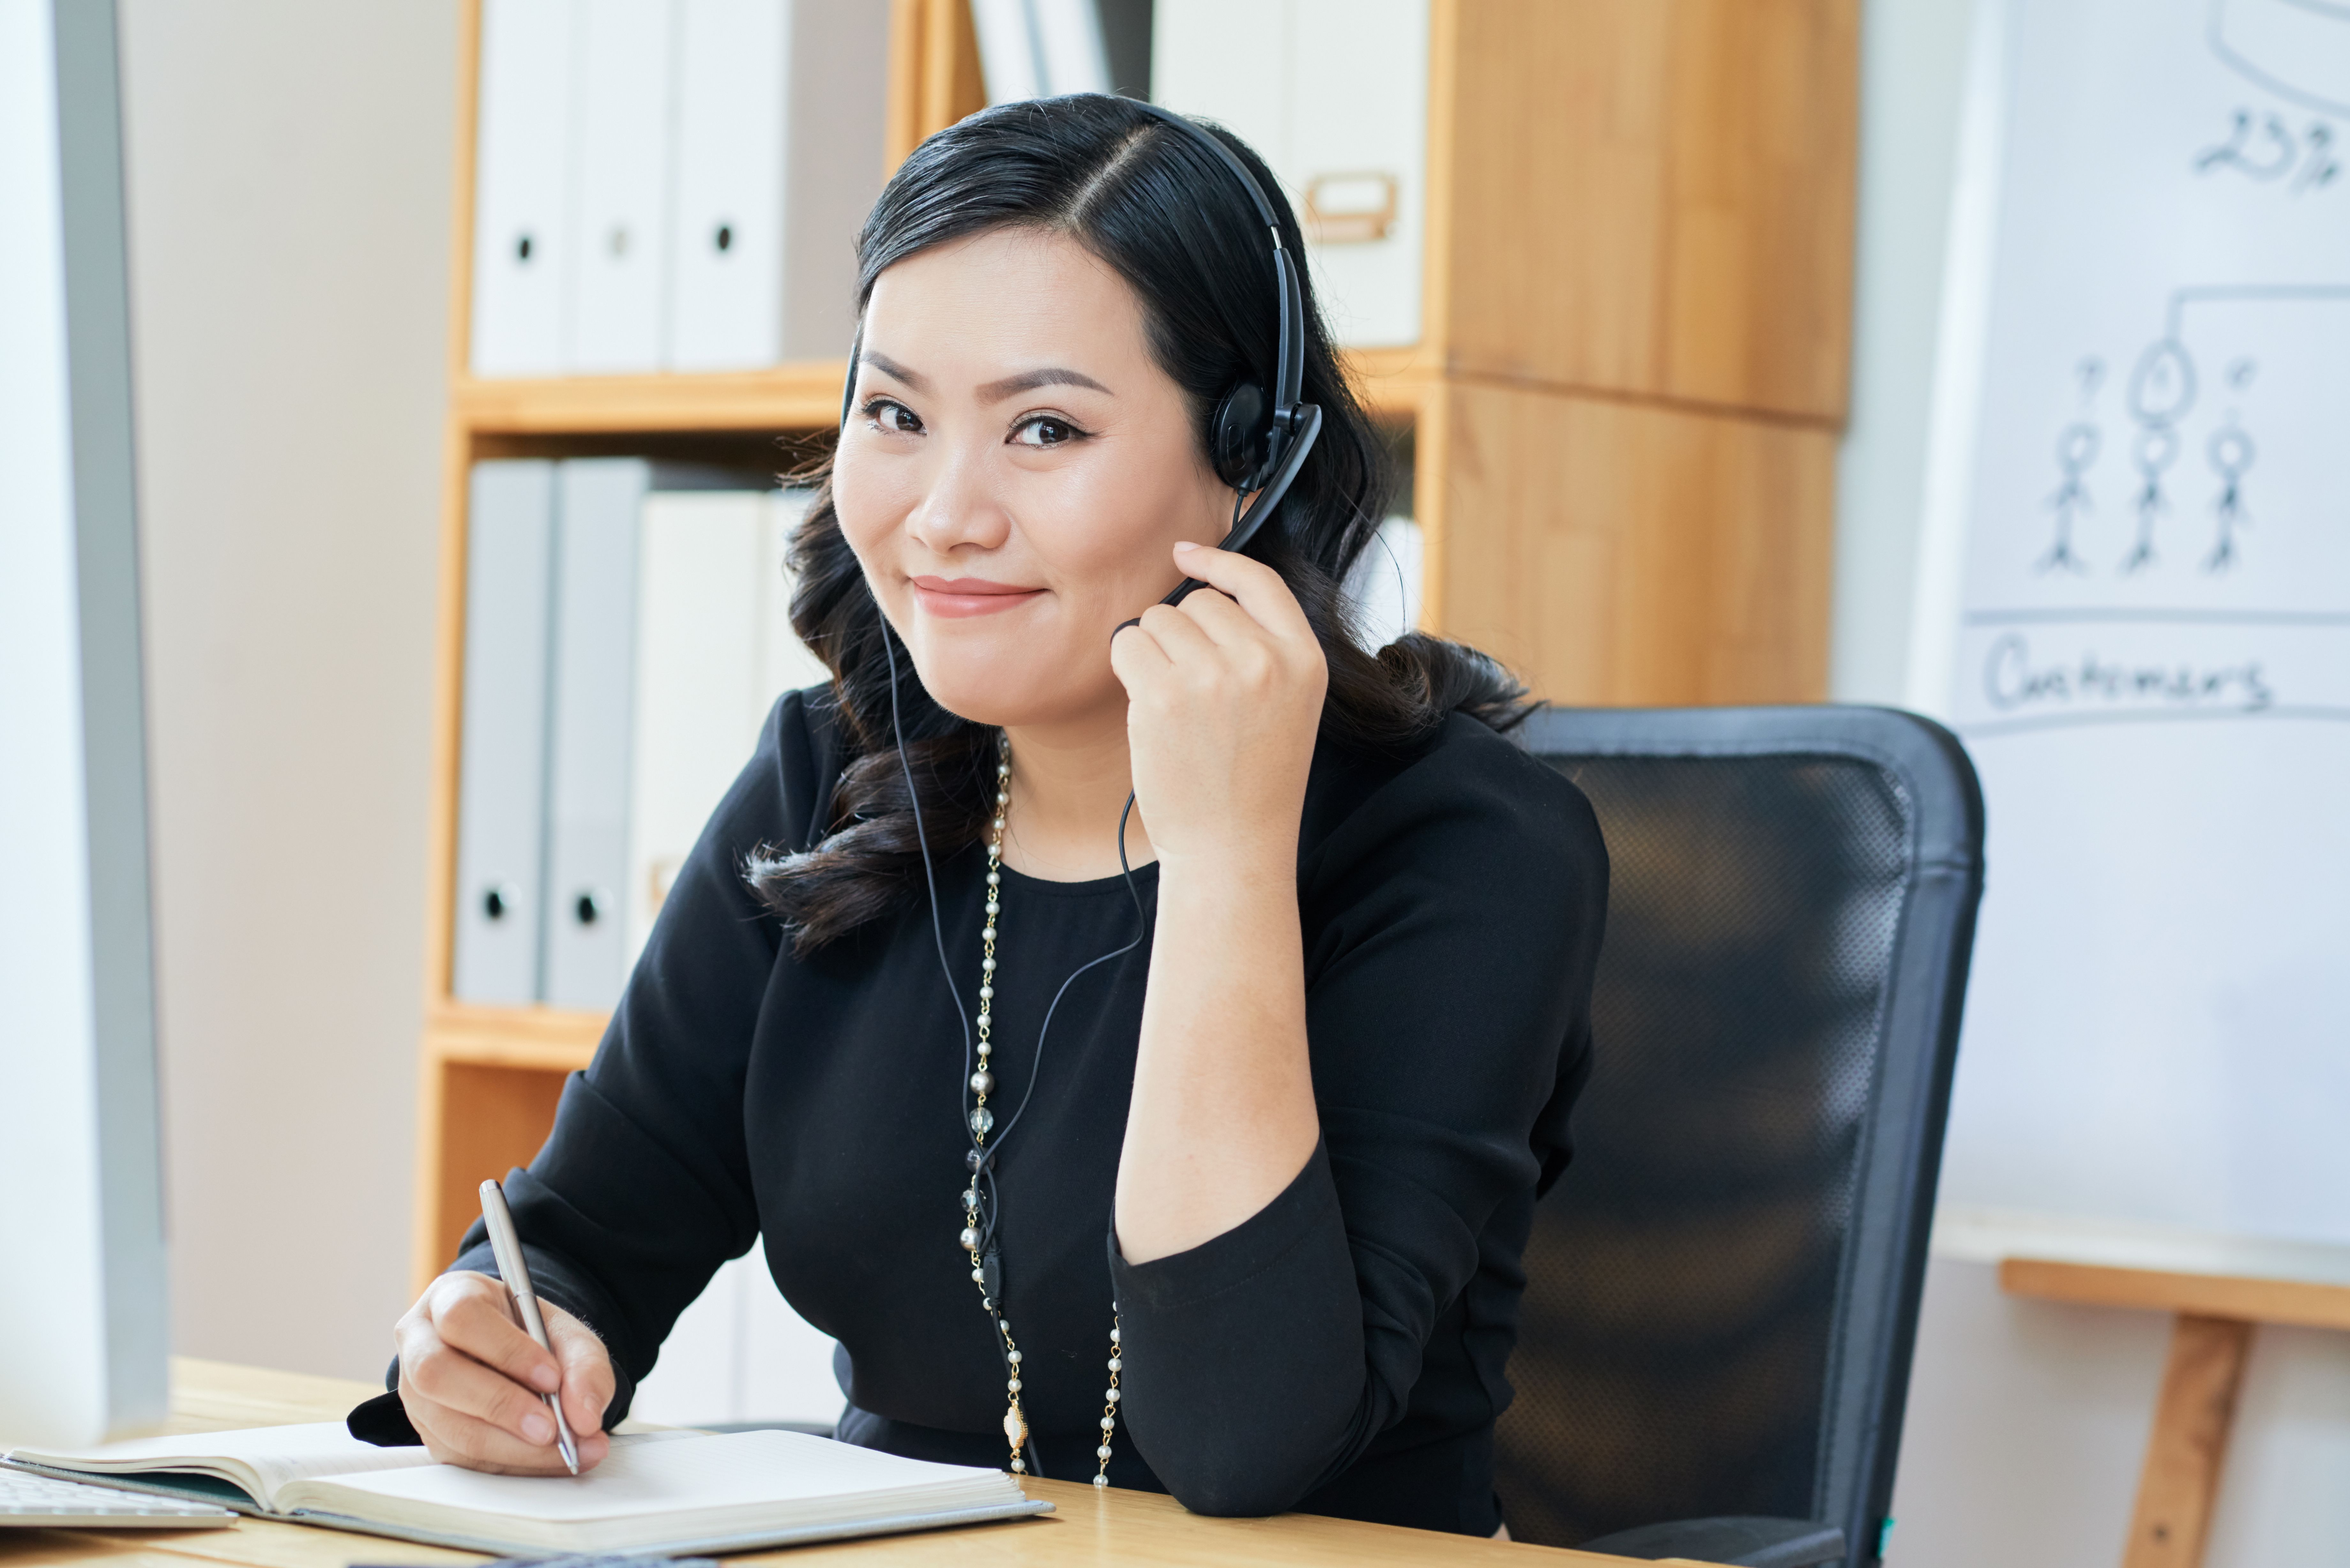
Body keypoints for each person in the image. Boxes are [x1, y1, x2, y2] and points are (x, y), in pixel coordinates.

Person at [369, 94, 1606, 1538]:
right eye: (894, 414)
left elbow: (1244, 1438)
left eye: (1042, 428)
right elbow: (581, 1244)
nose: (943, 513)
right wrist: (488, 1342)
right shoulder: (829, 776)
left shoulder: (1466, 848)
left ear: (1249, 465)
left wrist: (1222, 858)